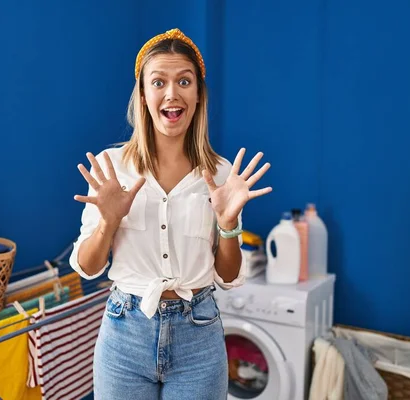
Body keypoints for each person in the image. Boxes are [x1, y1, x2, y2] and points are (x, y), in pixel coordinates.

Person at [69, 28, 272, 400]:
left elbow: (227, 274)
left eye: (184, 81)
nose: (172, 93)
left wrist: (227, 226)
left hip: (199, 334)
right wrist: (107, 224)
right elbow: (87, 266)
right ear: (144, 95)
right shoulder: (111, 167)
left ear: (198, 96)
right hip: (124, 333)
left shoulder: (221, 176)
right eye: (158, 82)